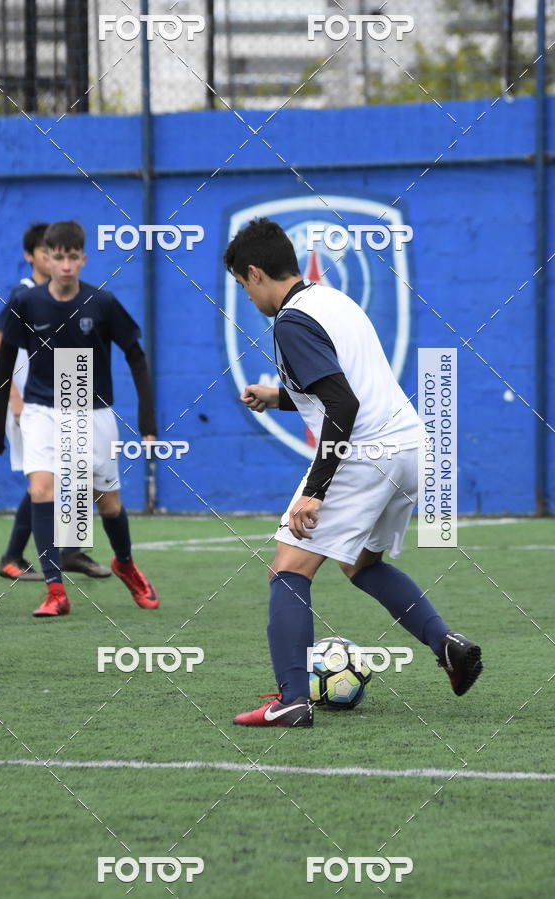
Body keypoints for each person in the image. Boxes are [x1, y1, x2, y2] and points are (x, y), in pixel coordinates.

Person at [223, 218, 482, 728]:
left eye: (242, 286)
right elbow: (347, 383)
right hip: (410, 446)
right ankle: (447, 645)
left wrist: (315, 491)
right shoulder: (331, 299)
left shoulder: (291, 321)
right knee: (361, 564)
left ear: (254, 273)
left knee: (288, 568)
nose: (248, 299)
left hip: (365, 452)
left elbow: (344, 402)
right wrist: (279, 397)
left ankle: (293, 700)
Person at [0, 220, 159, 617]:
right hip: (42, 409)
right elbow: (4, 363)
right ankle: (55, 590)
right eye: (56, 256)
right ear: (46, 258)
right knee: (43, 488)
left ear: (83, 259)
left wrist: (147, 423)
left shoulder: (102, 303)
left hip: (91, 409)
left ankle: (125, 564)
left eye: (71, 257)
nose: (64, 265)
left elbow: (136, 356)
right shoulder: (25, 303)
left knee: (107, 502)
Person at [0, 222, 110, 581]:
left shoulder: (63, 295)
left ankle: (69, 550)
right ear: (33, 256)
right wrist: (13, 397)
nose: (58, 260)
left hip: (65, 397)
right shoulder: (25, 294)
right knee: (49, 479)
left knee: (72, 472)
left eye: (63, 253)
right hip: (34, 402)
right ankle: (12, 556)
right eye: (48, 252)